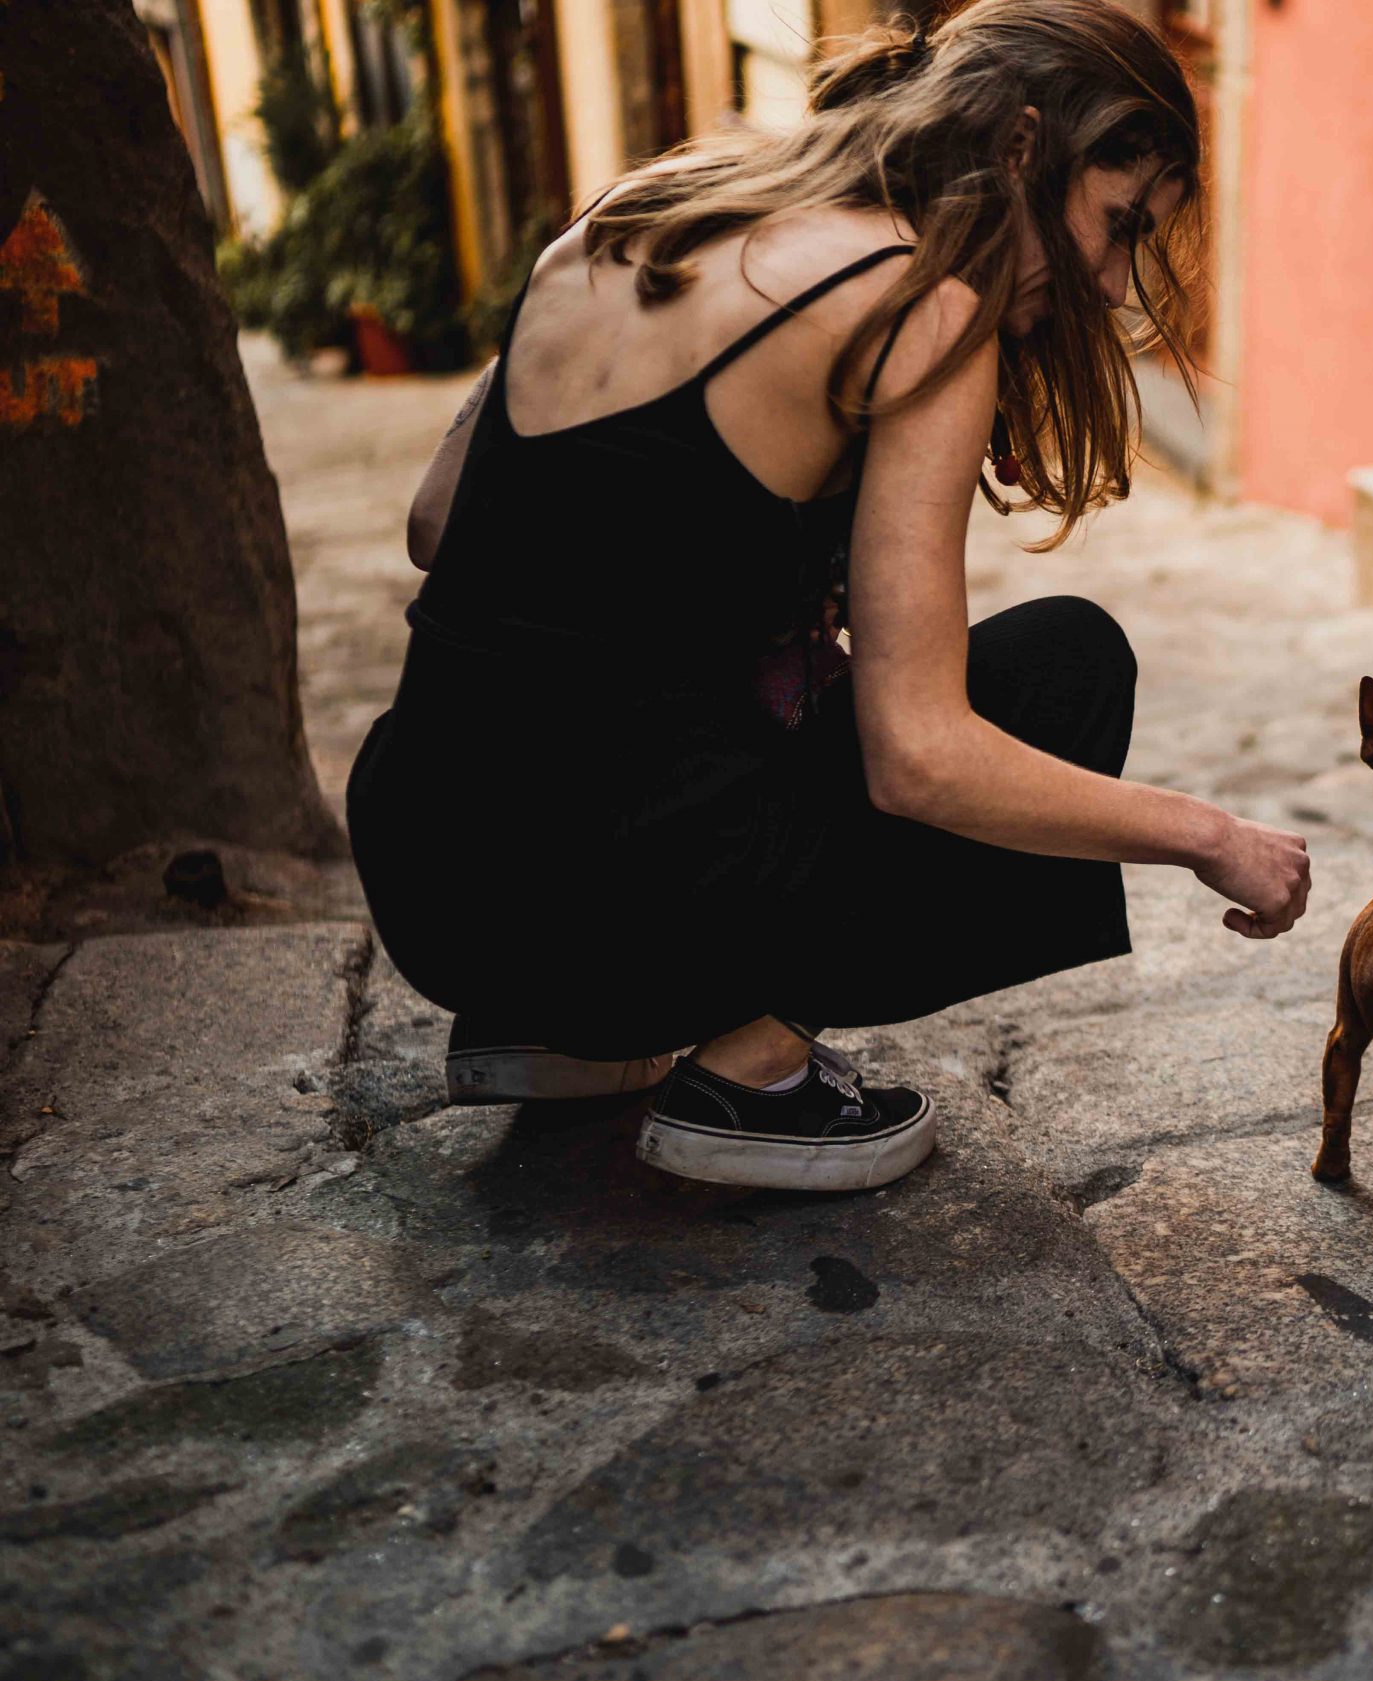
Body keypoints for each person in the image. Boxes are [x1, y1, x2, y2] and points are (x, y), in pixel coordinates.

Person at [346, 0, 1312, 1192]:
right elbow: (920, 758)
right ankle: (750, 1079)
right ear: (1021, 148)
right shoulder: (924, 302)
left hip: (429, 876)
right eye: (1118, 226)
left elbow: (438, 523)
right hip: (609, 908)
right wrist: (1209, 836)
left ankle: (555, 1038)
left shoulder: (646, 210)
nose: (1113, 284)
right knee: (1067, 665)